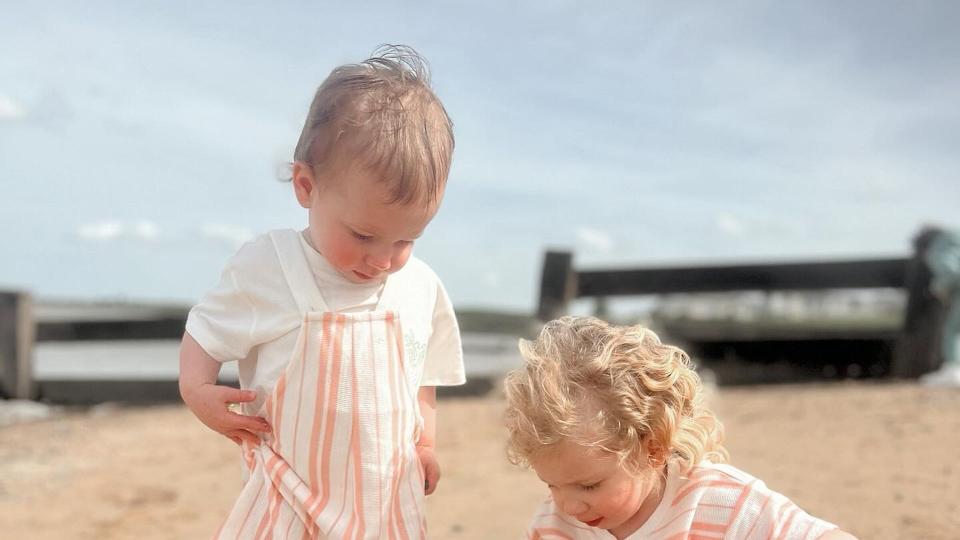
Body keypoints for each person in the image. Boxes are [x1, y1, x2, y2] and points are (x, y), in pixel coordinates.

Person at [178, 45, 465, 539]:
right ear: (307, 187)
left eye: (405, 240)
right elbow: (205, 331)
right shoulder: (272, 267)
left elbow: (426, 370)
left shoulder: (420, 286)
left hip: (386, 500)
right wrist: (198, 389)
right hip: (289, 495)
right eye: (362, 235)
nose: (382, 259)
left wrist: (425, 444)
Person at [504, 316, 856, 539]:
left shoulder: (724, 505)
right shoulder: (553, 526)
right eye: (551, 485)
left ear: (652, 448)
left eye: (590, 485)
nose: (569, 506)